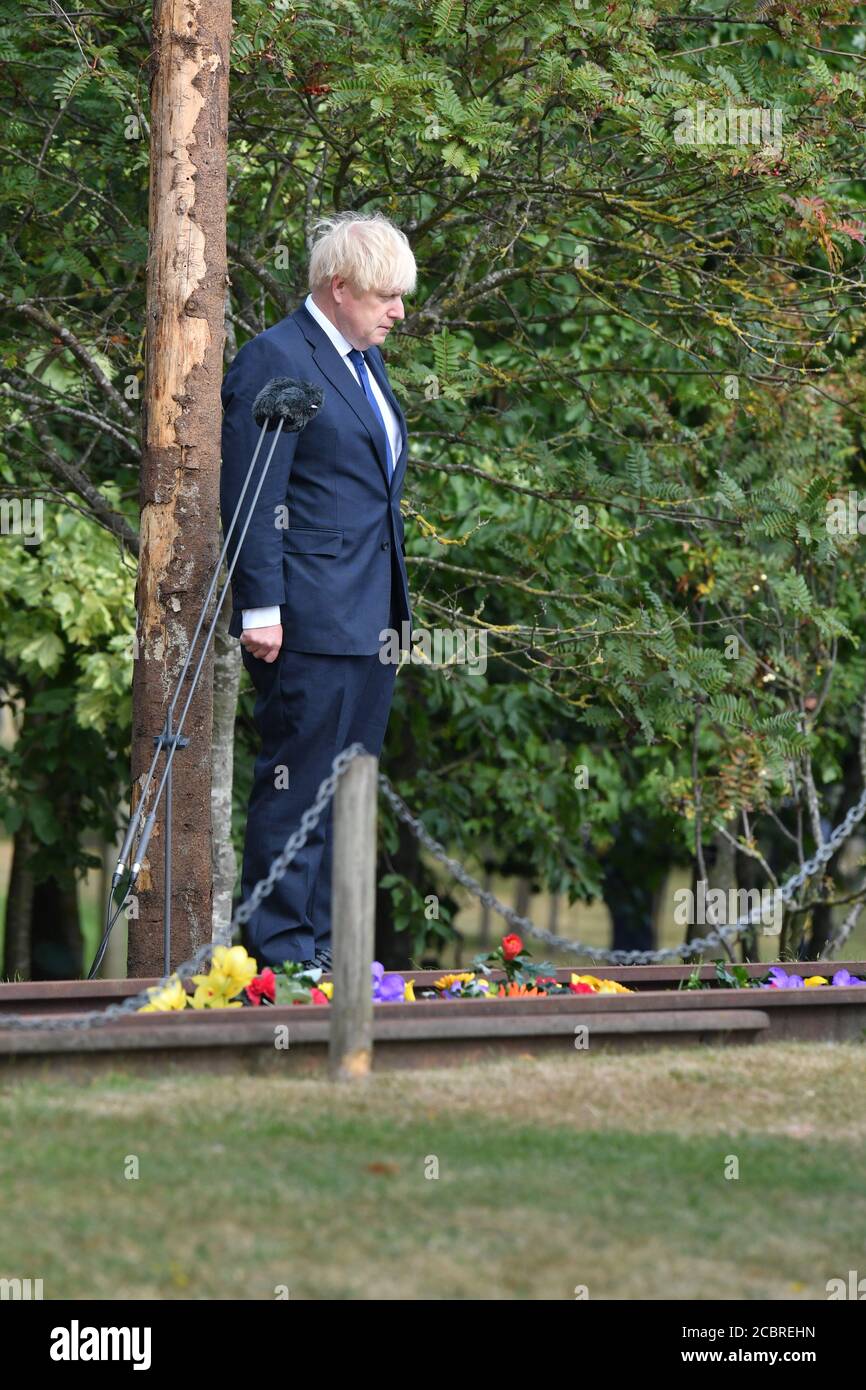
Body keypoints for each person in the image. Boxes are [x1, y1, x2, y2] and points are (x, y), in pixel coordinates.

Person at [219, 211, 416, 970]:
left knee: (349, 796)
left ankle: (335, 954)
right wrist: (260, 608)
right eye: (385, 297)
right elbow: (252, 492)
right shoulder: (278, 357)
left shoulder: (366, 360)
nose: (398, 312)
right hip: (306, 618)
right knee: (297, 788)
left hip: (372, 618)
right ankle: (281, 954)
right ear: (339, 289)